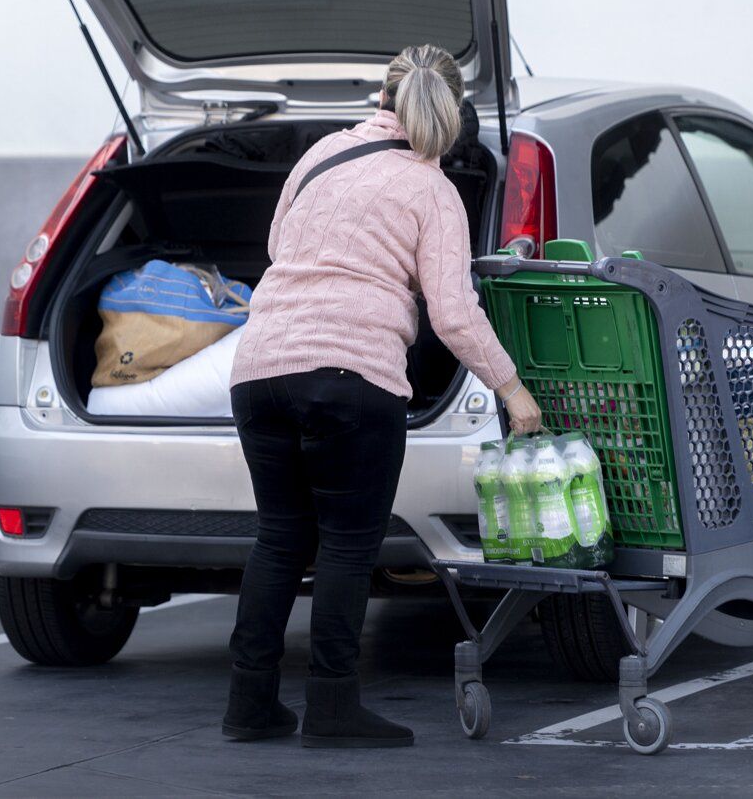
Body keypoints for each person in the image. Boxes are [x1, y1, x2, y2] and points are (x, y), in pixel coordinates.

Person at [221, 44, 542, 749]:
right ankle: (333, 709)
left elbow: (279, 244)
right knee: (344, 543)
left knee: (279, 537)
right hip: (351, 380)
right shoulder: (432, 189)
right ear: (449, 111)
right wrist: (514, 389)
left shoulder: (319, 155)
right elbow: (453, 314)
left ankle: (249, 705)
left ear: (381, 96)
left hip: (259, 370)